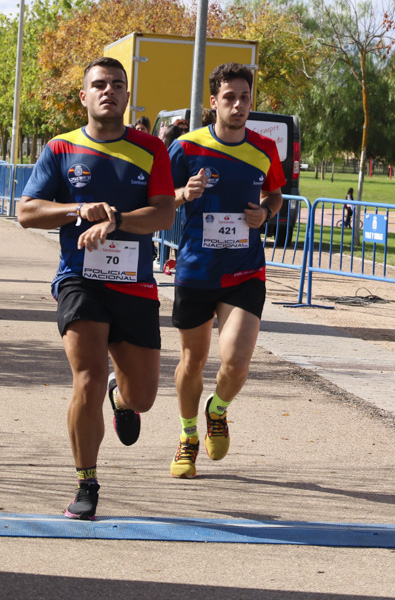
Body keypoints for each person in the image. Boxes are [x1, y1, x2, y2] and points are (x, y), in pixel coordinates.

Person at [17, 57, 175, 521]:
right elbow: (27, 211)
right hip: (79, 279)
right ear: (84, 96)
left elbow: (164, 215)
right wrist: (78, 210)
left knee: (144, 396)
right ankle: (87, 482)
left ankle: (121, 398)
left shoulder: (151, 150)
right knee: (84, 375)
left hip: (136, 283)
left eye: (118, 85)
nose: (109, 91)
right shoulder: (61, 149)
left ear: (128, 97)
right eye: (99, 84)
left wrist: (118, 220)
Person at [166, 62, 285, 479]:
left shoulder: (264, 149)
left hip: (245, 270)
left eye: (245, 97)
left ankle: (217, 411)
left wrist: (265, 214)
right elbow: (160, 199)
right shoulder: (186, 147)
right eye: (229, 97)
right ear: (213, 101)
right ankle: (187, 435)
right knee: (192, 362)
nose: (238, 105)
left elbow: (276, 194)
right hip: (197, 270)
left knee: (235, 363)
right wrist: (183, 193)